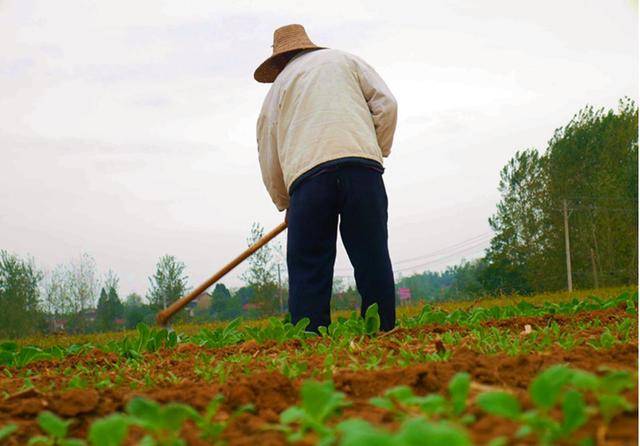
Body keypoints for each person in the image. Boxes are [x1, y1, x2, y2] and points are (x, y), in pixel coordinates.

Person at [254, 24, 398, 332]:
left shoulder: (278, 89)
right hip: (362, 168)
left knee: (309, 266)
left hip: (309, 180)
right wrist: (376, 149)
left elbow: (269, 148)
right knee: (372, 254)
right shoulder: (346, 60)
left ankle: (310, 340)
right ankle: (384, 331)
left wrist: (285, 202)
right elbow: (387, 105)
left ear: (279, 62)